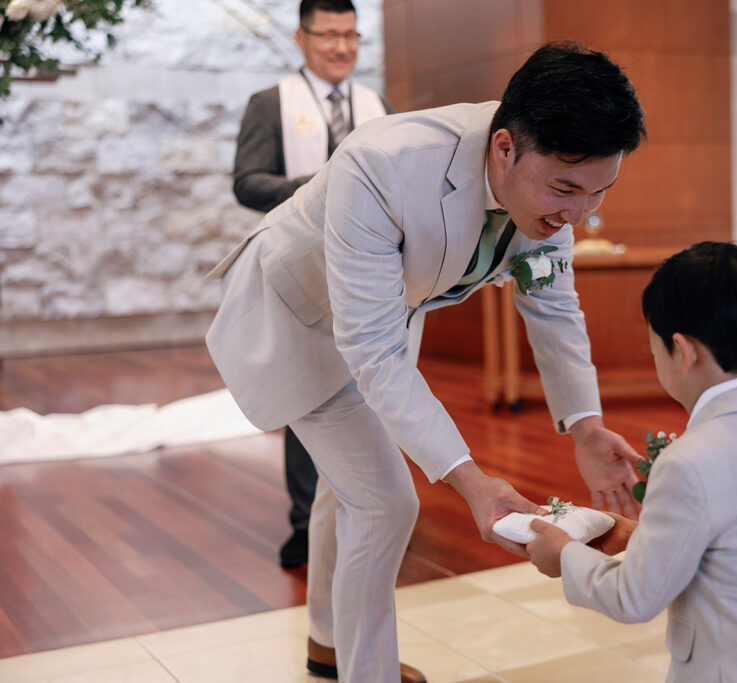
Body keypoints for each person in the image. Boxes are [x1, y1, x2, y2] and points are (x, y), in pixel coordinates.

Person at [206, 42, 646, 682]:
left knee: (348, 490)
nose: (577, 215)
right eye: (565, 190)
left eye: (598, 193)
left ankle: (329, 643)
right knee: (386, 504)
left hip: (382, 320)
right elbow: (373, 352)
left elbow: (553, 307)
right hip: (297, 317)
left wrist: (585, 426)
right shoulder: (383, 163)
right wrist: (471, 479)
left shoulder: (554, 191)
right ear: (504, 148)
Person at [525, 242, 737, 682]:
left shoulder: (688, 461)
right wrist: (647, 538)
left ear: (683, 351)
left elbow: (635, 597)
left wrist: (565, 556)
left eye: (654, 351)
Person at [233, 0, 393, 569]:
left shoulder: (376, 106)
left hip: (367, 271)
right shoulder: (270, 104)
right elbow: (247, 183)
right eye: (329, 35)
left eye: (351, 35)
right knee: (308, 392)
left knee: (365, 388)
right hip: (299, 268)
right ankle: (305, 521)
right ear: (302, 38)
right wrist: (323, 186)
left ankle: (364, 505)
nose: (341, 47)